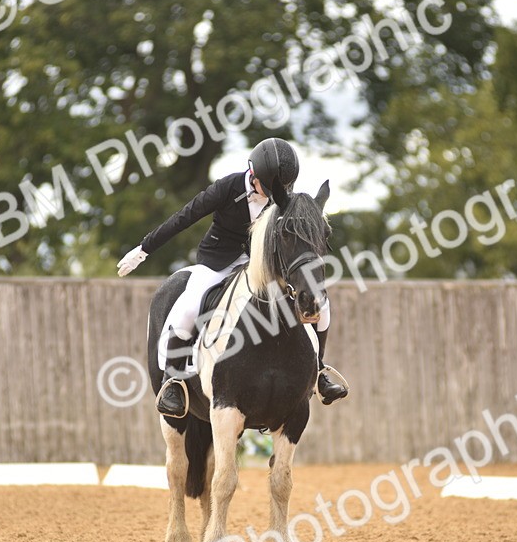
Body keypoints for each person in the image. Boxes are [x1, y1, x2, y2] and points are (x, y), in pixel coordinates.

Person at [117, 138, 348, 417]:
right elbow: (184, 217)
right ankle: (173, 380)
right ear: (254, 174)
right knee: (188, 306)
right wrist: (144, 250)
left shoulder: (283, 196)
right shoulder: (227, 188)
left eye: (282, 189)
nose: (275, 195)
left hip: (261, 266)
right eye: (271, 188)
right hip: (218, 261)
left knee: (321, 304)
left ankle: (319, 371)